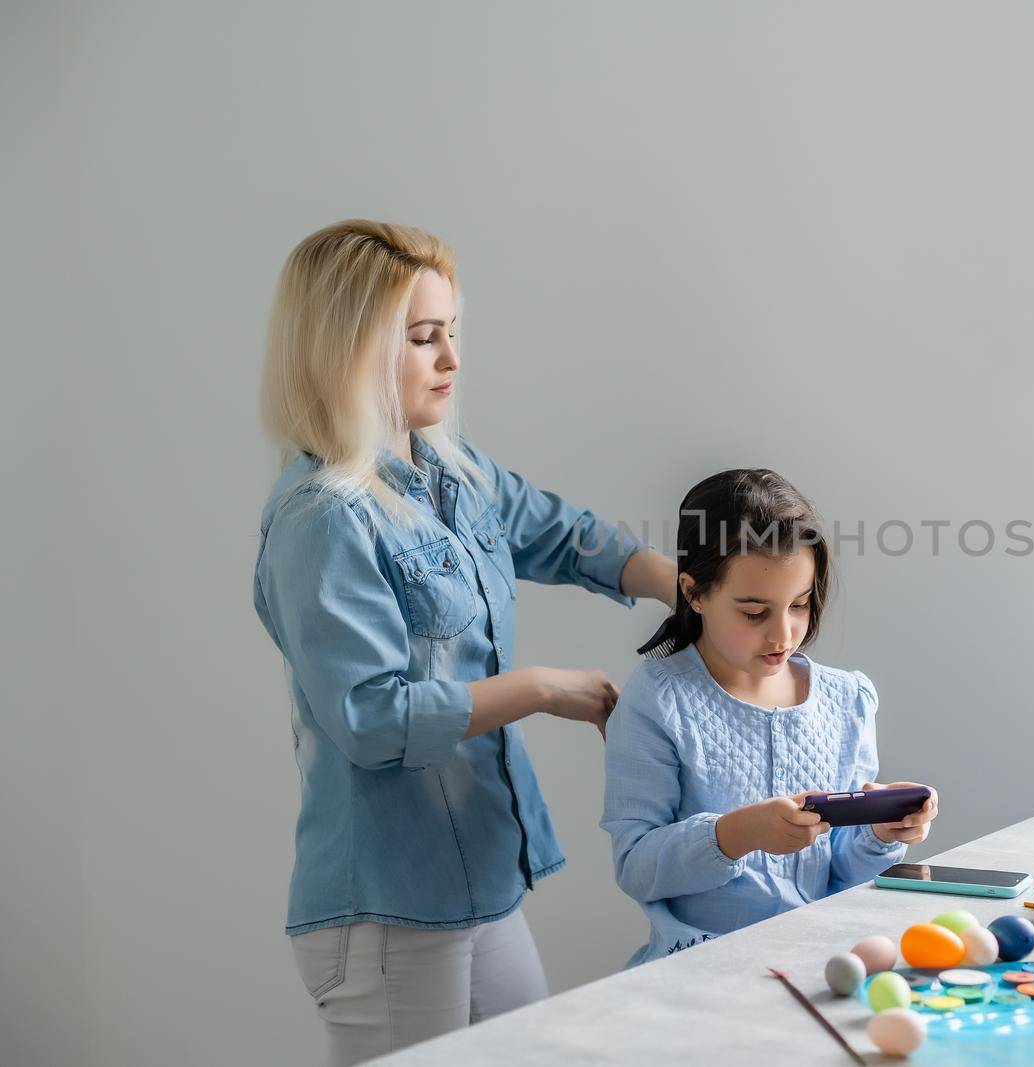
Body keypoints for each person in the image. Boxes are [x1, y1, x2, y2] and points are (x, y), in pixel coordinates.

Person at [252, 219, 678, 1064]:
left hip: (476, 888)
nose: (450, 357)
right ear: (349, 349)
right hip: (384, 914)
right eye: (421, 337)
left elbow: (560, 533)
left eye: (453, 332)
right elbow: (372, 719)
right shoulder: (322, 519)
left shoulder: (451, 470)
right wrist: (541, 690)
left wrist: (683, 585)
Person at [602, 468, 938, 964]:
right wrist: (737, 835)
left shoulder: (847, 700)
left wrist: (881, 832)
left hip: (820, 962)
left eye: (800, 605)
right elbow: (636, 866)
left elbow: (845, 870)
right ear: (694, 593)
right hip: (700, 968)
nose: (783, 635)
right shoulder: (659, 699)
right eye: (754, 613)